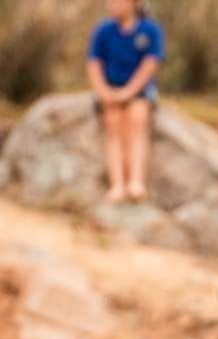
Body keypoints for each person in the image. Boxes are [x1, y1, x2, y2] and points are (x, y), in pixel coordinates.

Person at [86, 0, 165, 204]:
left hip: (139, 92)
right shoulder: (103, 30)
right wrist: (103, 91)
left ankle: (136, 181)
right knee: (112, 123)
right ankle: (117, 184)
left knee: (137, 119)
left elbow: (150, 65)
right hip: (109, 90)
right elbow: (94, 64)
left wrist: (129, 92)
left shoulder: (150, 30)